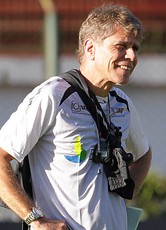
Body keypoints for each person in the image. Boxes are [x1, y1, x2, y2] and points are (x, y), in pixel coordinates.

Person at [0, 3, 152, 230]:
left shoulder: (122, 102)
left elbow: (143, 155)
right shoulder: (53, 95)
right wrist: (35, 220)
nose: (131, 56)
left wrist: (122, 194)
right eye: (121, 46)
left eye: (135, 48)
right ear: (90, 48)